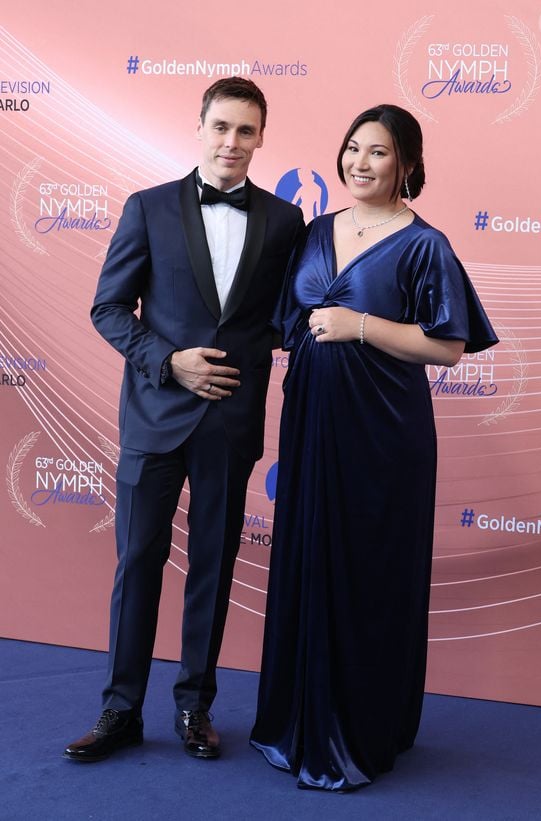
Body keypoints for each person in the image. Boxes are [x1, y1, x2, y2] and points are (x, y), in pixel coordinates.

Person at [250, 104, 498, 791]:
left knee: (369, 570)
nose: (360, 162)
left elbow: (449, 347)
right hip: (310, 421)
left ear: (408, 165)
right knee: (309, 557)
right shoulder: (315, 232)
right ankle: (296, 722)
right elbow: (284, 322)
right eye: (353, 147)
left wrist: (360, 323)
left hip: (383, 431)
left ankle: (362, 730)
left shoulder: (426, 245)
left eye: (379, 152)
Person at [64, 77, 305, 763]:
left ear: (262, 137)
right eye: (221, 127)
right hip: (152, 417)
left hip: (230, 422)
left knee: (214, 565)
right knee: (137, 561)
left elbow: (285, 319)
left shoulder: (286, 222)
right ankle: (120, 709)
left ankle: (195, 704)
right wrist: (169, 361)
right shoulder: (147, 208)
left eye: (246, 131)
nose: (232, 142)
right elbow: (109, 308)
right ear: (199, 127)